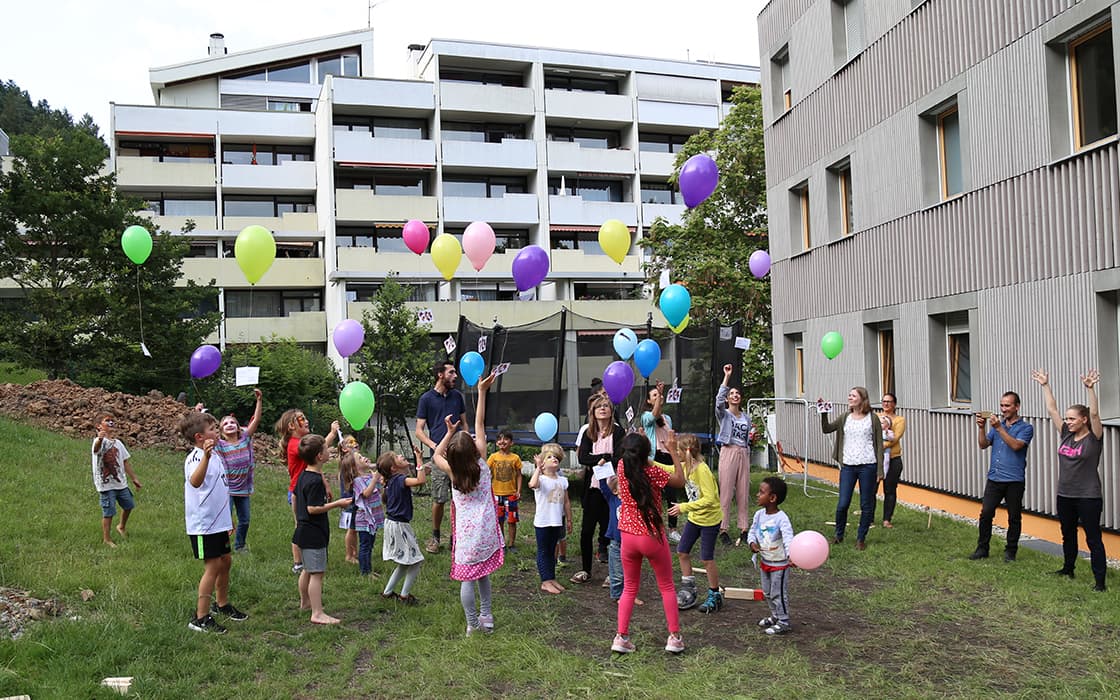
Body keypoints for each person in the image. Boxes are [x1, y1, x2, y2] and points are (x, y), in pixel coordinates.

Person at [434, 370, 505, 635]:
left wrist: (449, 432)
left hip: (465, 538)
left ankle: (472, 624)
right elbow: (479, 424)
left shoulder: (453, 472)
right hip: (486, 534)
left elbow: (436, 455)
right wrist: (482, 392)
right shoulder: (483, 465)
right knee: (483, 574)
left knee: (467, 578)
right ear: (475, 450)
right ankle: (487, 616)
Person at [612, 431, 687, 655]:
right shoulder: (653, 471)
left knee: (629, 587)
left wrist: (639, 443)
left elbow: (635, 458)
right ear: (646, 455)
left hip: (627, 536)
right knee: (666, 586)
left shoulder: (622, 468)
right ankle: (674, 637)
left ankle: (621, 636)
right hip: (652, 535)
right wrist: (673, 450)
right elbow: (680, 481)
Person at [1031, 369, 1107, 591]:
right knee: (1068, 533)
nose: (1068, 421)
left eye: (1072, 418)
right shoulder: (1066, 434)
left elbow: (1094, 414)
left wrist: (1090, 389)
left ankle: (1099, 581)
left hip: (1088, 496)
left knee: (1093, 539)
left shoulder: (1094, 438)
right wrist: (1046, 385)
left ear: (1083, 420)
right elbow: (1051, 409)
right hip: (1065, 494)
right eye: (1067, 419)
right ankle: (1068, 568)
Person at [179, 410, 247, 634]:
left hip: (219, 523)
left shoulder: (216, 455)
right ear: (200, 437)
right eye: (212, 429)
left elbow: (221, 488)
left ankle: (222, 603)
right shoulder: (196, 458)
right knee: (213, 566)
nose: (217, 432)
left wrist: (228, 521)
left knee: (225, 561)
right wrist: (206, 458)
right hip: (203, 525)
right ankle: (200, 617)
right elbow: (196, 482)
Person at [293, 434, 354, 624]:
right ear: (320, 456)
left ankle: (305, 603)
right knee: (317, 573)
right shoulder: (315, 481)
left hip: (303, 530)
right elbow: (313, 508)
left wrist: (297, 518)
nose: (330, 451)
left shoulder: (304, 475)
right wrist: (337, 504)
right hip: (313, 532)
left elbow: (296, 497)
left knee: (307, 570)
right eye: (327, 449)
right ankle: (317, 613)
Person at [970, 391, 1035, 562]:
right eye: (1002, 405)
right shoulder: (996, 426)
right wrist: (982, 428)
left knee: (1014, 516)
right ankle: (982, 548)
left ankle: (1011, 551)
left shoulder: (1026, 428)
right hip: (995, 478)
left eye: (1007, 405)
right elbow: (983, 445)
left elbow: (1016, 446)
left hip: (1014, 480)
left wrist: (999, 428)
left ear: (1017, 407)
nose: (1003, 409)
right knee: (986, 514)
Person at [819, 387, 884, 550]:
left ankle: (861, 538)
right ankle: (838, 535)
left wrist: (880, 470)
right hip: (848, 466)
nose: (850, 397)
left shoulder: (873, 418)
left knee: (866, 504)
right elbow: (826, 429)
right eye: (849, 395)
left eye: (853, 395)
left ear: (862, 399)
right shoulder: (844, 417)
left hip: (868, 465)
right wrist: (824, 413)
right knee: (843, 503)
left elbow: (879, 445)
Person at [276, 409, 339, 574]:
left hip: (309, 489)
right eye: (301, 419)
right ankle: (298, 563)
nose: (306, 420)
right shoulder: (294, 445)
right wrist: (332, 434)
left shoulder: (301, 442)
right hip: (299, 492)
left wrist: (325, 484)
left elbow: (316, 468)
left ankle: (308, 559)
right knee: (300, 527)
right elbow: (316, 451)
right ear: (291, 426)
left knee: (309, 527)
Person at [415, 360, 468, 554]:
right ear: (440, 375)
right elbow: (419, 431)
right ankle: (435, 537)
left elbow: (465, 425)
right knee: (439, 499)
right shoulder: (426, 399)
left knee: (460, 498)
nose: (455, 376)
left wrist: (466, 445)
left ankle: (458, 537)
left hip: (460, 457)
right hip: (439, 458)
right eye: (451, 373)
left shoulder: (457, 397)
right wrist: (436, 447)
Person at [669, 434, 723, 614]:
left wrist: (684, 507)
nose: (676, 453)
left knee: (706, 559)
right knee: (682, 552)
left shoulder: (702, 470)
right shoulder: (685, 467)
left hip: (709, 521)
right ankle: (688, 588)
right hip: (694, 519)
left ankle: (714, 594)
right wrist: (649, 462)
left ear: (687, 451)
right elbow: (669, 468)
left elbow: (710, 499)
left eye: (678, 450)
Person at [574, 395, 625, 584]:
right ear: (593, 412)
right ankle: (585, 569)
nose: (603, 408)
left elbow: (620, 456)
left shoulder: (619, 432)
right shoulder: (588, 432)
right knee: (587, 531)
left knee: (610, 530)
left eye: (606, 406)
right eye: (599, 406)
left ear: (611, 411)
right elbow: (583, 458)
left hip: (613, 488)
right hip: (593, 487)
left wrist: (603, 459)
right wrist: (602, 457)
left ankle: (613, 573)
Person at [378, 444, 428, 604]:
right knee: (416, 561)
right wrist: (419, 458)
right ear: (394, 467)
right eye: (397, 457)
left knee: (404, 562)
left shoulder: (392, 480)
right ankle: (405, 596)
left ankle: (387, 592)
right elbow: (421, 480)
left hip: (393, 524)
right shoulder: (400, 479)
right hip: (399, 525)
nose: (401, 455)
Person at [216, 388, 262, 553]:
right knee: (225, 521)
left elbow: (256, 420)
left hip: (243, 488)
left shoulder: (245, 438)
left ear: (238, 428)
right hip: (227, 488)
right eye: (225, 423)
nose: (230, 425)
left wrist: (258, 401)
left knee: (245, 520)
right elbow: (202, 433)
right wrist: (197, 412)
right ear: (221, 431)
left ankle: (240, 545)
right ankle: (222, 547)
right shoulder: (220, 444)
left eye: (232, 423)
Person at [747, 476, 795, 635]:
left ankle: (784, 621)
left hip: (779, 565)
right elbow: (752, 531)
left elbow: (788, 538)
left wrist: (791, 555)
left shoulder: (782, 518)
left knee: (778, 593)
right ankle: (775, 616)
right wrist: (752, 543)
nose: (757, 495)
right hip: (765, 562)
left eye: (761, 492)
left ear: (772, 498)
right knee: (767, 592)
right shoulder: (759, 515)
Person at [715, 364, 754, 546]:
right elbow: (718, 400)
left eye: (737, 394)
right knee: (726, 491)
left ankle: (744, 528)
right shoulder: (724, 414)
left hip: (743, 453)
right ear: (728, 398)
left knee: (743, 491)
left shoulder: (746, 417)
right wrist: (727, 377)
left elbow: (747, 437)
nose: (735, 396)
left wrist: (752, 438)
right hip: (728, 451)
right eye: (732, 394)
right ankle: (723, 528)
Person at [91, 411, 141, 547]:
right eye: (107, 420)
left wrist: (134, 478)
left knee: (129, 505)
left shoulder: (118, 443)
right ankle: (106, 539)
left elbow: (125, 462)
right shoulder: (98, 441)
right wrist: (100, 439)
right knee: (109, 512)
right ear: (98, 426)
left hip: (121, 483)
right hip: (106, 485)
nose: (111, 423)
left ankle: (121, 526)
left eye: (112, 420)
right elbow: (96, 450)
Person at [530, 442, 572, 594]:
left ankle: (551, 577)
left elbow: (566, 501)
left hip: (557, 521)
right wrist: (537, 469)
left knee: (552, 549)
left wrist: (569, 519)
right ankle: (545, 581)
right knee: (543, 551)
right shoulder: (541, 479)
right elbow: (532, 484)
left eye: (555, 457)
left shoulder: (562, 480)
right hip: (543, 522)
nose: (553, 459)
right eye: (549, 457)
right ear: (543, 462)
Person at [642, 380, 680, 544]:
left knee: (672, 495)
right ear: (649, 401)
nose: (658, 397)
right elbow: (654, 415)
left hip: (668, 456)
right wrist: (659, 394)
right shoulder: (646, 416)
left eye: (659, 395)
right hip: (654, 457)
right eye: (654, 395)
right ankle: (653, 527)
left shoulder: (668, 418)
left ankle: (673, 529)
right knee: (652, 494)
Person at [346, 450, 385, 577]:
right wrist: (374, 479)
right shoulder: (357, 481)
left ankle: (368, 569)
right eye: (360, 458)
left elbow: (378, 490)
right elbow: (366, 494)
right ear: (354, 467)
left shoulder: (369, 476)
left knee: (370, 544)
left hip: (373, 517)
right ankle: (365, 572)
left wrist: (378, 479)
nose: (364, 458)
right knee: (365, 545)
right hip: (365, 519)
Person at [488, 429, 523, 551]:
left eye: (505, 439)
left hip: (511, 495)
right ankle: (501, 543)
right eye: (499, 439)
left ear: (511, 442)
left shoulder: (515, 458)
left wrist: (518, 490)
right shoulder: (493, 457)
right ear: (496, 443)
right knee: (499, 521)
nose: (502, 441)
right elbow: (487, 473)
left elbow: (519, 475)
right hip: (496, 495)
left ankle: (511, 544)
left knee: (512, 520)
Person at [877, 393, 906, 529]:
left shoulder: (899, 420)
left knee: (890, 489)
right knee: (871, 489)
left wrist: (879, 445)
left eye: (889, 401)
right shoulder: (876, 416)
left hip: (893, 458)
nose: (886, 404)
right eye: (884, 401)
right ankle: (869, 518)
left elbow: (895, 438)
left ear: (894, 404)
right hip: (875, 458)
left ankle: (887, 519)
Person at [338, 436, 362, 564]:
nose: (355, 443)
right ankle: (349, 555)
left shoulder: (352, 462)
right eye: (350, 442)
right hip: (350, 500)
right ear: (344, 449)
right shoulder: (347, 463)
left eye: (355, 441)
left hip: (354, 499)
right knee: (351, 529)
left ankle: (354, 553)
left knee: (355, 529)